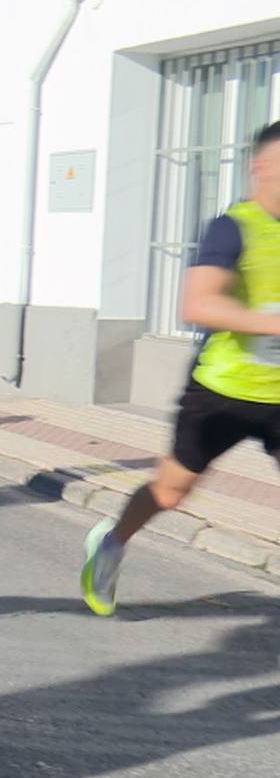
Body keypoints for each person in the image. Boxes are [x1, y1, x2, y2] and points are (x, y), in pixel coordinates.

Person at [82, 120, 280, 616]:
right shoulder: (232, 227)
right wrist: (267, 323)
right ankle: (111, 543)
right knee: (170, 492)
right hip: (221, 390)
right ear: (261, 167)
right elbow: (197, 304)